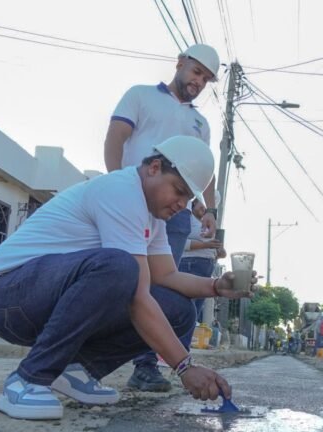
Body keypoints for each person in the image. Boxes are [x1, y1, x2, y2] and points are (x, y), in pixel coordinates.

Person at [0, 136, 256, 421]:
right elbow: (137, 296)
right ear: (154, 167)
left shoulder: (153, 217)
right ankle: (27, 379)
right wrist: (184, 367)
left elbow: (166, 276)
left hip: (43, 298)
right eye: (179, 191)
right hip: (4, 298)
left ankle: (78, 370)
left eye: (188, 199)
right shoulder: (121, 192)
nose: (181, 205)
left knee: (178, 309)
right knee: (120, 267)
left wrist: (216, 287)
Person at [104, 43, 221, 392]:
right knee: (119, 281)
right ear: (181, 63)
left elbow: (204, 175)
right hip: (131, 203)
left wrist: (208, 211)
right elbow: (116, 137)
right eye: (196, 72)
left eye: (206, 79)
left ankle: (147, 367)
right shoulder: (140, 96)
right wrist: (117, 185)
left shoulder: (200, 123)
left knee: (165, 288)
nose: (199, 82)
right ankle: (85, 358)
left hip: (176, 216)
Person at [177, 197, 226, 349]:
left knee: (194, 313)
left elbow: (219, 252)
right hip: (190, 264)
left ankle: (182, 350)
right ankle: (176, 349)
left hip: (206, 265)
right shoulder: (187, 219)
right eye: (202, 205)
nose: (205, 209)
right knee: (186, 310)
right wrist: (205, 244)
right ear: (193, 202)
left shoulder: (206, 223)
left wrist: (218, 250)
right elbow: (179, 244)